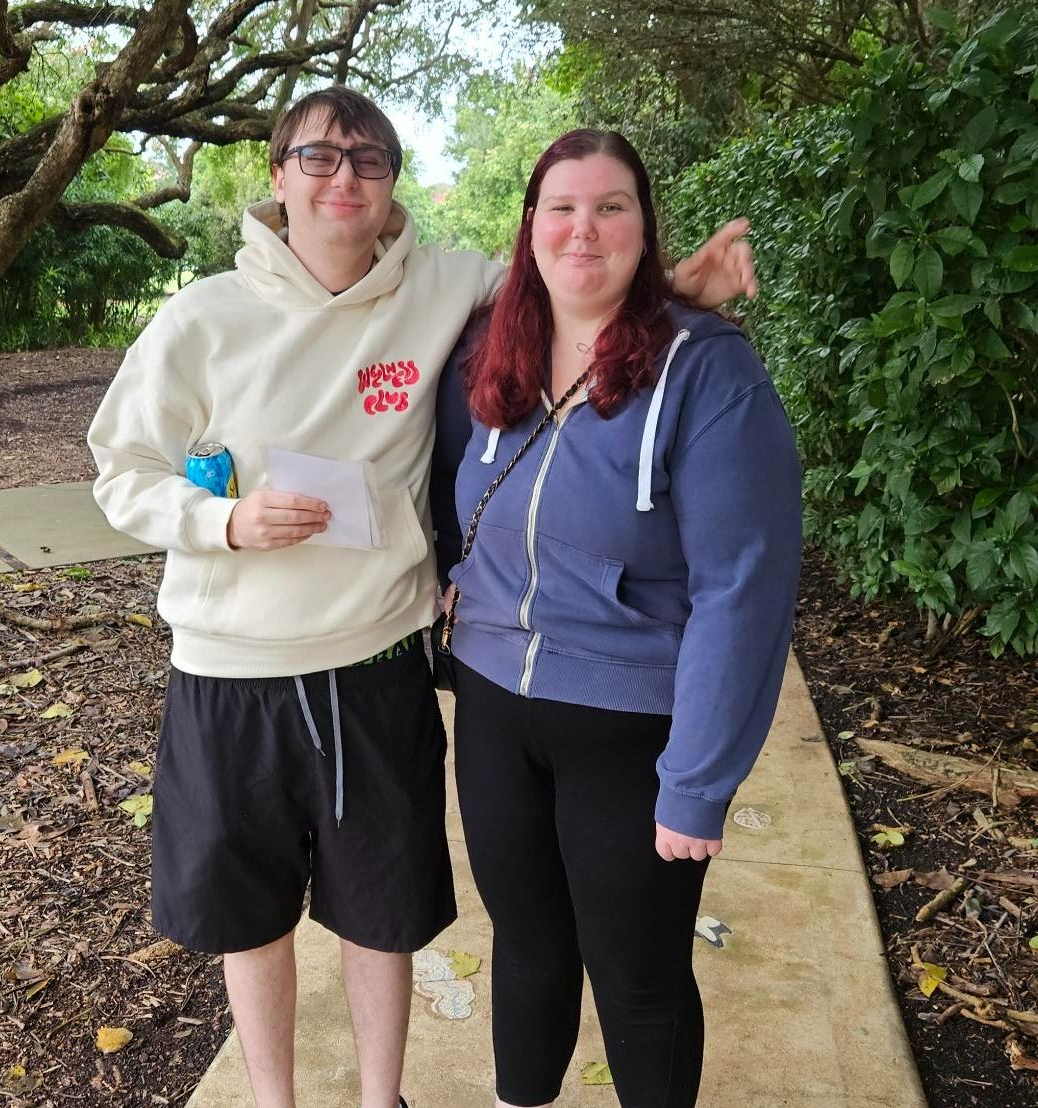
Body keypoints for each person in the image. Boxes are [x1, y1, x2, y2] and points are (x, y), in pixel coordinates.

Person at [87, 89, 758, 1108]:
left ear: (393, 180)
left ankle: (379, 1096)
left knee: (380, 909)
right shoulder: (203, 317)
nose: (344, 178)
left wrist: (674, 284)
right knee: (250, 914)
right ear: (277, 176)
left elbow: (573, 280)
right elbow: (118, 466)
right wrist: (220, 520)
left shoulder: (442, 286)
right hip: (231, 665)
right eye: (317, 157)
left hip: (375, 659)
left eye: (369, 159)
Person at [432, 128, 802, 1108]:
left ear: (645, 226)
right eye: (561, 206)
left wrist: (698, 781)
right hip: (495, 704)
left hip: (632, 722)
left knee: (637, 979)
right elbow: (432, 482)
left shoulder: (709, 373)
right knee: (529, 946)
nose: (582, 229)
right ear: (529, 226)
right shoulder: (489, 354)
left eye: (611, 207)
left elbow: (745, 585)